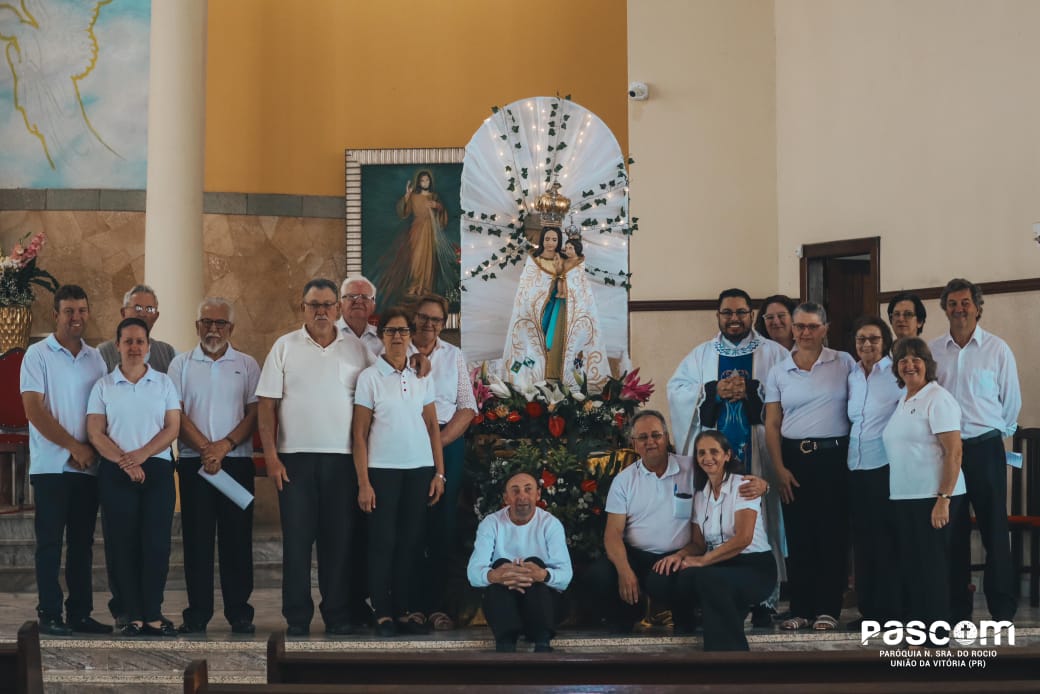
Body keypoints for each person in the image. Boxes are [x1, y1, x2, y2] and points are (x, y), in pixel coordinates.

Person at [256, 278, 373, 636]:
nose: (321, 311)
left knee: (337, 542)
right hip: (295, 462)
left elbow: (378, 391)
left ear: (337, 308)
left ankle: (337, 616)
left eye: (326, 304)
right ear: (302, 308)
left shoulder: (358, 351)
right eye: (313, 305)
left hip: (342, 462)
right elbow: (266, 407)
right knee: (296, 542)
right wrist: (272, 458)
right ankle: (297, 618)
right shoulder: (284, 347)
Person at [666, 288, 788, 626]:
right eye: (727, 313)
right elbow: (676, 390)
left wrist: (753, 391)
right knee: (712, 519)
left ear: (752, 314)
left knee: (763, 520)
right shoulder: (701, 354)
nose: (734, 319)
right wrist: (711, 391)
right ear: (718, 316)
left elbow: (787, 394)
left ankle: (766, 599)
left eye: (740, 312)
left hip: (758, 453)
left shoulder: (773, 353)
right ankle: (713, 595)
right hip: (714, 458)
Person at [584, 410, 767, 633]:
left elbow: (724, 471)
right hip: (636, 554)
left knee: (665, 581)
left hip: (680, 553)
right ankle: (626, 616)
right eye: (643, 437)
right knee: (598, 575)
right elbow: (612, 534)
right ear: (633, 443)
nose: (650, 442)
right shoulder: (624, 481)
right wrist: (624, 570)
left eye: (656, 435)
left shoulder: (692, 468)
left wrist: (762, 485)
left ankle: (689, 619)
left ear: (666, 437)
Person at [20, 285, 111, 636]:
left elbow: (101, 410)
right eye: (69, 311)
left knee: (82, 544)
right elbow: (34, 410)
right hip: (52, 467)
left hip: (87, 468)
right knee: (49, 543)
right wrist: (75, 447)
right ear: (55, 315)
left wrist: (91, 450)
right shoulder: (37, 355)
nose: (76, 317)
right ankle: (50, 613)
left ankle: (80, 613)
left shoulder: (95, 358)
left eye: (82, 310)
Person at [929, 279, 1020, 622]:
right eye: (952, 303)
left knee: (995, 530)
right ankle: (956, 610)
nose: (959, 309)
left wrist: (992, 434)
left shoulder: (998, 350)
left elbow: (1010, 404)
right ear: (945, 309)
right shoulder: (934, 351)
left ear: (978, 307)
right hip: (948, 454)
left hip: (985, 450)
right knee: (952, 532)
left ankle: (1002, 608)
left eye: (965, 303)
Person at [168, 298, 260, 635]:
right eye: (206, 322)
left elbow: (254, 414)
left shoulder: (248, 364)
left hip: (236, 463)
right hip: (196, 465)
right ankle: (198, 614)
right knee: (197, 542)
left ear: (231, 328)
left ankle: (240, 613)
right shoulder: (180, 365)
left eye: (220, 323)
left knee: (237, 541)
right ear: (197, 326)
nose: (213, 329)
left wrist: (224, 446)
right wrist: (207, 450)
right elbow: (176, 414)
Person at [353, 307, 446, 637]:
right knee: (382, 542)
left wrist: (439, 473)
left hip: (419, 469)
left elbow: (433, 425)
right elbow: (359, 434)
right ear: (381, 336)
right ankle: (382, 611)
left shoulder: (421, 375)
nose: (397, 337)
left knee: (410, 542)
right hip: (383, 471)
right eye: (391, 331)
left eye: (403, 331)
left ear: (410, 336)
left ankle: (405, 609)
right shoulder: (370, 378)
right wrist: (364, 482)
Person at [86, 317, 180, 637]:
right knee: (122, 543)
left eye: (140, 341)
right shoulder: (103, 386)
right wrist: (125, 462)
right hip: (115, 469)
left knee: (156, 543)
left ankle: (153, 613)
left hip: (156, 468)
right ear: (118, 346)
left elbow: (172, 428)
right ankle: (130, 614)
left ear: (149, 347)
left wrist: (141, 456)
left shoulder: (164, 384)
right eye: (128, 341)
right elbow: (96, 433)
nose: (135, 347)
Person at [764, 302, 855, 631]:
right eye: (799, 326)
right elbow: (772, 424)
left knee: (831, 535)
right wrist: (778, 468)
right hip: (794, 460)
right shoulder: (779, 370)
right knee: (799, 536)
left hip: (834, 457)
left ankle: (829, 608)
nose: (805, 333)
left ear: (825, 329)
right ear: (792, 329)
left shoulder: (844, 362)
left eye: (812, 327)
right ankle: (800, 608)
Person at [657, 431, 776, 651]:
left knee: (708, 578)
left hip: (755, 566)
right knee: (679, 574)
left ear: (727, 455)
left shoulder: (743, 485)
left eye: (714, 451)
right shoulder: (701, 495)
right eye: (701, 453)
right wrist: (679, 556)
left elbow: (743, 538)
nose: (707, 457)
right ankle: (688, 628)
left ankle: (729, 657)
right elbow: (698, 544)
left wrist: (702, 561)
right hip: (720, 565)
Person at [882, 337, 965, 629]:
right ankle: (919, 631)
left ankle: (936, 634)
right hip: (905, 497)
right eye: (902, 360)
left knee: (931, 570)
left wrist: (944, 498)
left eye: (916, 359)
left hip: (932, 497)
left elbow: (953, 452)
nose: (909, 364)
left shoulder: (937, 398)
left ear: (927, 364)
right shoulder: (903, 400)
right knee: (914, 569)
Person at [410, 294, 477, 630]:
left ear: (443, 322)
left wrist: (440, 441)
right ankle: (409, 605)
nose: (429, 325)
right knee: (409, 527)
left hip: (446, 442)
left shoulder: (454, 356)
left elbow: (467, 406)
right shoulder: (398, 351)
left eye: (436, 320)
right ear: (413, 318)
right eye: (423, 317)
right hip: (405, 444)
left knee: (441, 528)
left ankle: (438, 607)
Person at [467, 471, 573, 652]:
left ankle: (542, 642)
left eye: (528, 490)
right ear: (506, 498)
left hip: (543, 608)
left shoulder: (550, 524)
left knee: (534, 563)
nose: (522, 496)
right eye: (515, 491)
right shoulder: (491, 523)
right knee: (500, 565)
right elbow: (473, 573)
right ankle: (506, 644)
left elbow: (565, 576)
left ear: (538, 495)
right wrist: (497, 576)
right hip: (505, 607)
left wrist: (541, 575)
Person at [846, 316, 902, 630]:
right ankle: (869, 613)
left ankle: (891, 613)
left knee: (885, 542)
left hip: (885, 466)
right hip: (855, 466)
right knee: (863, 542)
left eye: (874, 339)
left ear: (885, 342)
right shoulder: (852, 374)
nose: (867, 344)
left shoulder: (895, 373)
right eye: (861, 339)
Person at [502, 227, 608, 392]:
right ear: (542, 240)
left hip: (560, 307)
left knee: (556, 339)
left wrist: (562, 283)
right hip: (536, 309)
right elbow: (528, 286)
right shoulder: (534, 260)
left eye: (554, 240)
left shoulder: (566, 260)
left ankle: (559, 375)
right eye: (547, 239)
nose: (550, 243)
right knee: (533, 340)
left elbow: (578, 284)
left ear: (559, 242)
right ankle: (530, 376)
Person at [97, 284, 176, 373]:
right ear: (123, 313)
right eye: (137, 308)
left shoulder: (168, 353)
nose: (143, 314)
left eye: (149, 309)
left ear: (156, 316)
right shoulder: (103, 353)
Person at [337, 275, 382, 361]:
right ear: (340, 304)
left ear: (373, 306)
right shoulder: (327, 335)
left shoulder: (383, 338)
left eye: (365, 297)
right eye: (351, 296)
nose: (359, 301)